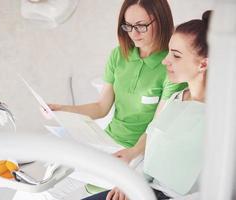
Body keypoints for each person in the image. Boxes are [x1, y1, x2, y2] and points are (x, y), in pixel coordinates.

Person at [83, 10, 212, 200]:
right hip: (147, 189)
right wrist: (132, 182)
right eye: (168, 52)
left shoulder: (222, 115)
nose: (165, 60)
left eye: (176, 56)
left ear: (203, 64)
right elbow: (152, 150)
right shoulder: (177, 98)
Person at [48, 0, 186, 149]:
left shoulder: (171, 65)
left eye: (141, 26)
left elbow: (159, 127)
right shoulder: (119, 55)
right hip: (109, 140)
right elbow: (101, 107)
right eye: (128, 26)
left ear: (161, 21)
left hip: (142, 151)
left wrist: (131, 153)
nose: (134, 33)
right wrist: (62, 110)